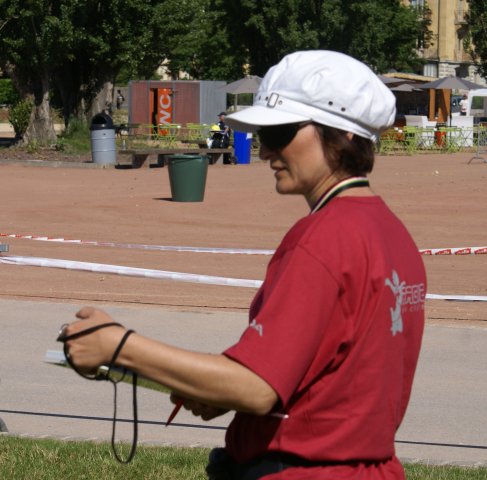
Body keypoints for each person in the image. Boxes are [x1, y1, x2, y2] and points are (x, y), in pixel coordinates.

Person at [59, 50, 426, 479]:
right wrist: (218, 388)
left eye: (281, 131)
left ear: (341, 134)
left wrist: (120, 345)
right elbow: (324, 381)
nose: (266, 149)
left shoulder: (324, 237)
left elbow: (258, 387)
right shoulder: (393, 234)